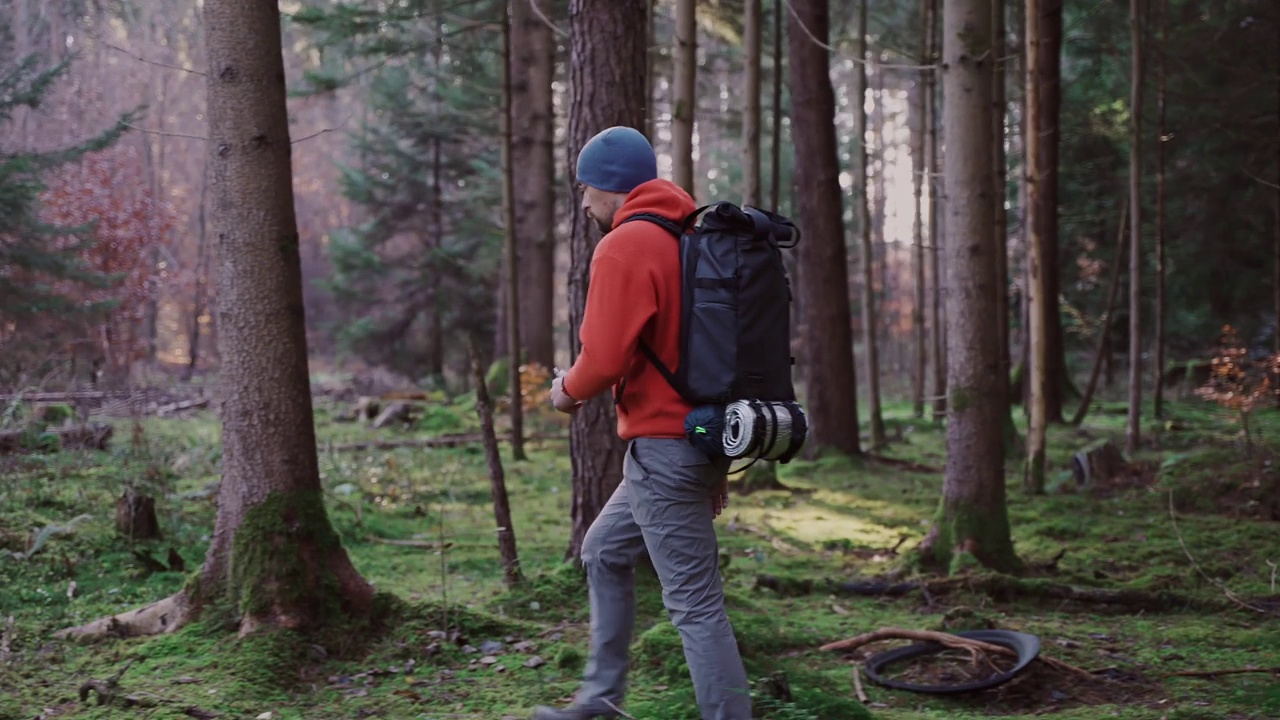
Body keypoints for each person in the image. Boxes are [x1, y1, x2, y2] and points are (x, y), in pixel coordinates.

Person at [533, 126, 753, 720]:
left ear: (610, 186)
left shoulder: (628, 244)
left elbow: (603, 360)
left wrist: (565, 393)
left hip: (663, 447)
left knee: (696, 606)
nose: (583, 204)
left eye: (585, 189)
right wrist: (717, 463)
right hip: (697, 438)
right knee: (603, 551)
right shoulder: (690, 238)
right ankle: (599, 701)